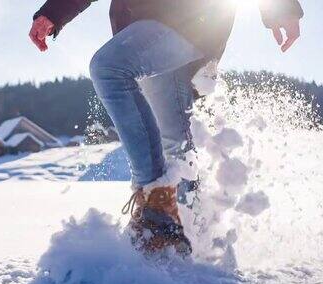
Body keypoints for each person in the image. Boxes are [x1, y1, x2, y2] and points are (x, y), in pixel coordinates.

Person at [29, 0, 303, 256]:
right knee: (175, 144)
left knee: (108, 68)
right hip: (146, 27)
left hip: (191, 20)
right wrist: (53, 12)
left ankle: (157, 205)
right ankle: (188, 239)